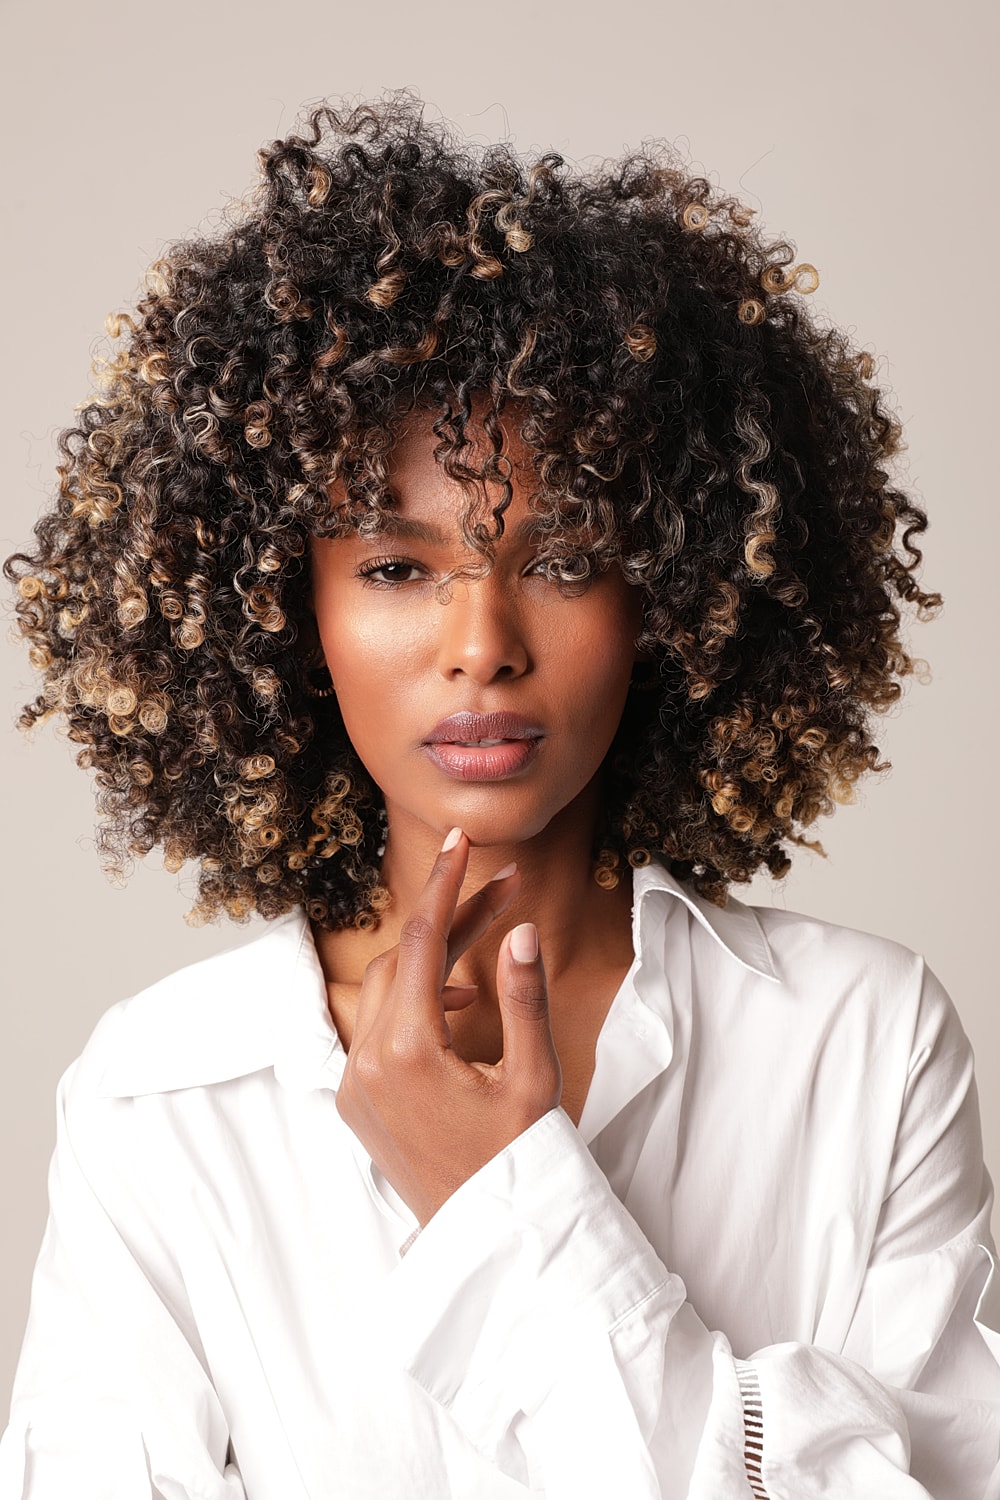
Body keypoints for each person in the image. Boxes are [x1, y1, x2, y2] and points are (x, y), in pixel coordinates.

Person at [1, 89, 998, 1499]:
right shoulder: (164, 1098)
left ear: (677, 597)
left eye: (570, 556)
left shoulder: (864, 1045)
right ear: (293, 614)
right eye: (399, 568)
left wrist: (503, 1203)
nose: (484, 642)